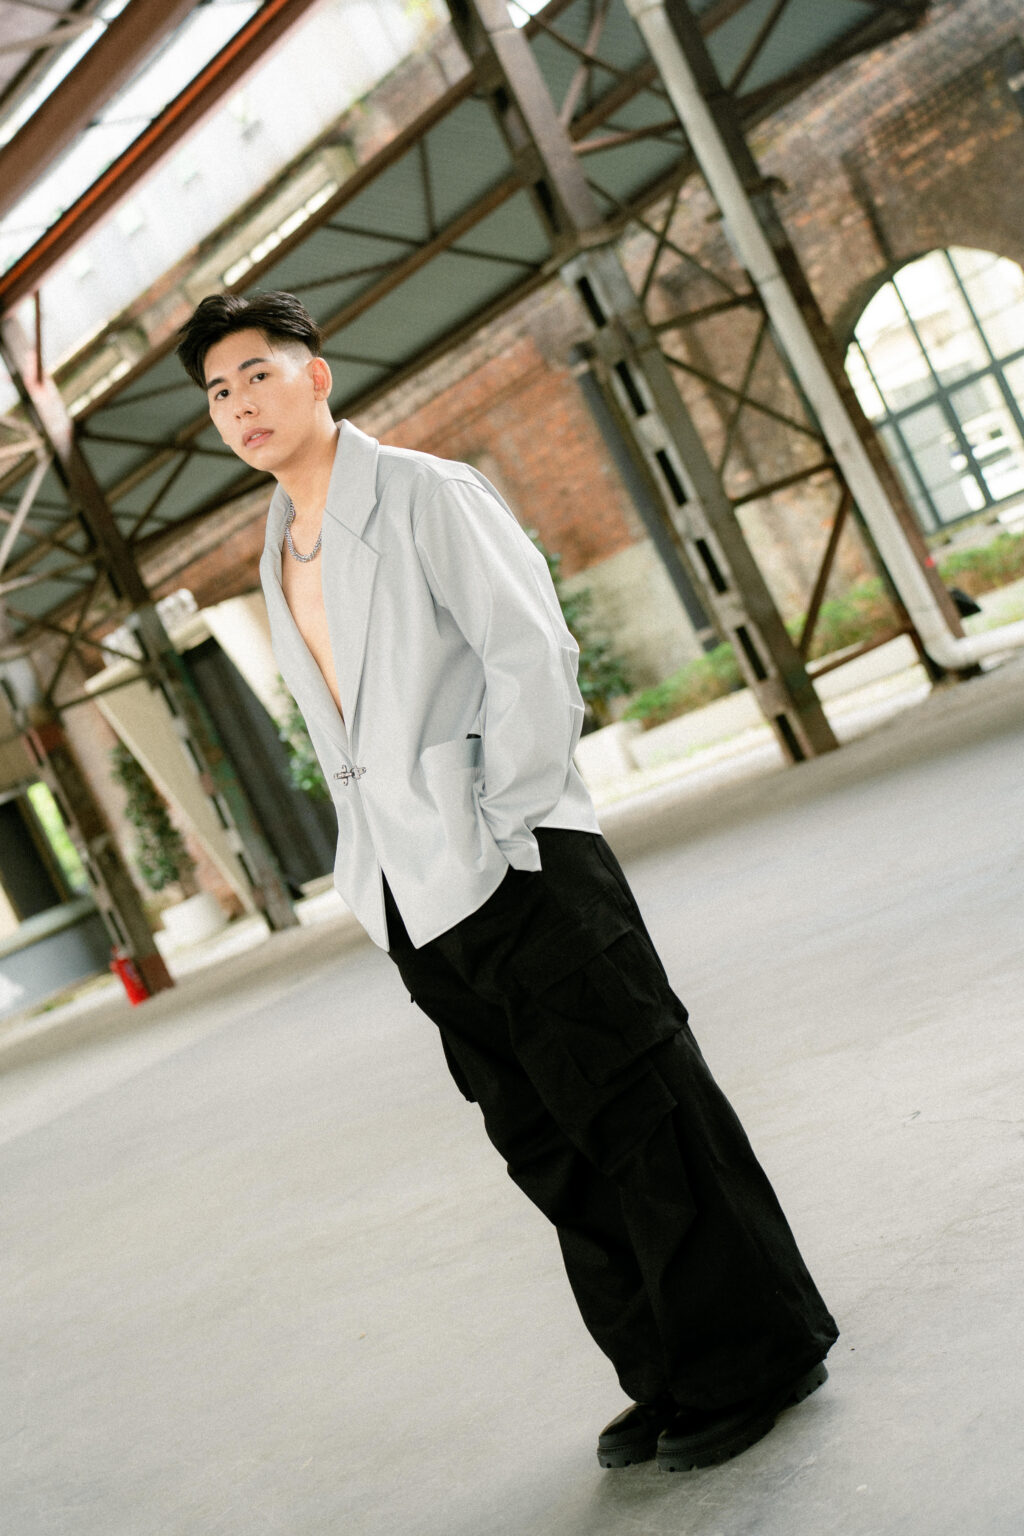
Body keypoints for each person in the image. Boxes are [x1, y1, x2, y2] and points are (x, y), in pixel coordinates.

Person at [175, 290, 838, 1473]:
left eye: (257, 375)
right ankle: (665, 1370)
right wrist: (375, 877)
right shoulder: (280, 547)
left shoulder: (425, 494)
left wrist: (503, 819)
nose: (239, 407)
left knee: (641, 1114)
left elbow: (531, 653)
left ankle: (756, 1358)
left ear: (316, 375)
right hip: (412, 896)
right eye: (218, 393)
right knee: (546, 1144)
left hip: (518, 863)